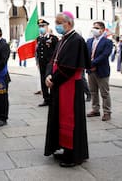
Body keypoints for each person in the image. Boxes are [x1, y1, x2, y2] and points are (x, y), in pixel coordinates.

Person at [44, 11, 90, 167]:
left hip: (70, 86)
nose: (56, 25)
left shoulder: (76, 40)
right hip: (60, 84)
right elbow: (53, 60)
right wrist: (49, 74)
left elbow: (69, 67)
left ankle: (73, 154)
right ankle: (65, 148)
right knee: (60, 117)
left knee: (70, 120)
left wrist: (53, 79)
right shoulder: (63, 39)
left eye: (59, 22)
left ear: (68, 23)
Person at [86, 21, 113, 121]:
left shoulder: (107, 42)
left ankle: (107, 112)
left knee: (104, 93)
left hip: (101, 70)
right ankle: (95, 109)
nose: (94, 30)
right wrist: (88, 65)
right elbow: (86, 54)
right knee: (93, 92)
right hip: (90, 71)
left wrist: (93, 64)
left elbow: (104, 55)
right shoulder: (89, 41)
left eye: (96, 28)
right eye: (93, 27)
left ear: (102, 30)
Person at [36, 19, 58, 106]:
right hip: (42, 63)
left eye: (43, 26)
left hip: (50, 63)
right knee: (42, 80)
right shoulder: (39, 38)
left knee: (50, 80)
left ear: (47, 27)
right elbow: (38, 51)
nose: (41, 28)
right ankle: (46, 98)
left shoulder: (53, 38)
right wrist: (37, 62)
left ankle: (53, 98)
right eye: (40, 26)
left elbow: (57, 51)